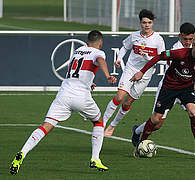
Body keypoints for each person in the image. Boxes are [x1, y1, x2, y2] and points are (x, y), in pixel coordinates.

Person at [9, 30, 117, 175]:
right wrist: (108, 76)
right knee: (98, 122)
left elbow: (74, 71)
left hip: (64, 94)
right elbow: (100, 61)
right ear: (100, 43)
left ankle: (22, 152)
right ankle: (95, 159)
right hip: (81, 97)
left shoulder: (78, 50)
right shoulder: (99, 53)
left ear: (86, 42)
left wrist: (88, 83)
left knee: (45, 126)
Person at [131, 23, 195, 153]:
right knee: (156, 121)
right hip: (169, 88)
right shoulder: (179, 52)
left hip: (186, 89)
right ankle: (139, 137)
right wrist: (141, 72)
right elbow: (159, 56)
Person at [103, 9, 165, 136]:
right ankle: (102, 124)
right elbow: (125, 47)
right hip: (130, 70)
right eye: (144, 22)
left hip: (145, 76)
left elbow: (163, 59)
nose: (146, 25)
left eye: (149, 22)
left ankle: (112, 125)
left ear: (152, 23)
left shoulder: (158, 39)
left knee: (127, 102)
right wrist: (119, 59)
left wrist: (150, 59)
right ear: (140, 23)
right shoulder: (134, 36)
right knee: (119, 97)